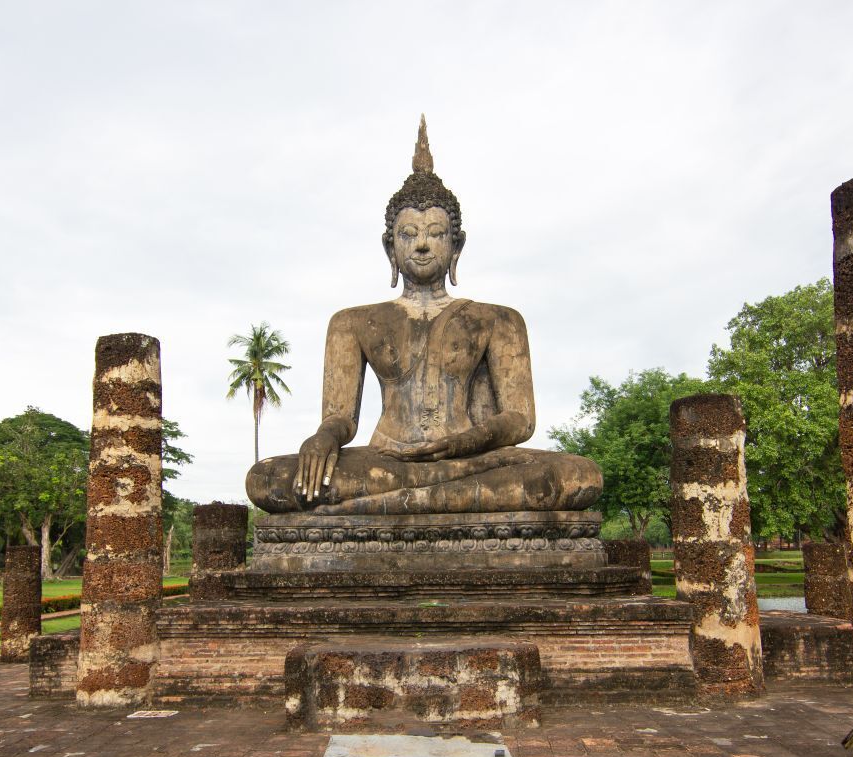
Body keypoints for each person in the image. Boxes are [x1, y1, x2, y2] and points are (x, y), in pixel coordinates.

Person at [246, 118, 601, 516]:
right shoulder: (352, 322)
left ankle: (380, 507)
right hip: (386, 461)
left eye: (435, 232)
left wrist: (466, 443)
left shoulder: (497, 320)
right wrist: (323, 438)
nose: (421, 245)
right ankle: (420, 500)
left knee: (579, 475)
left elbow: (520, 419)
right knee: (266, 478)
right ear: (389, 248)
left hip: (468, 460)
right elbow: (340, 418)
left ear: (456, 245)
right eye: (408, 234)